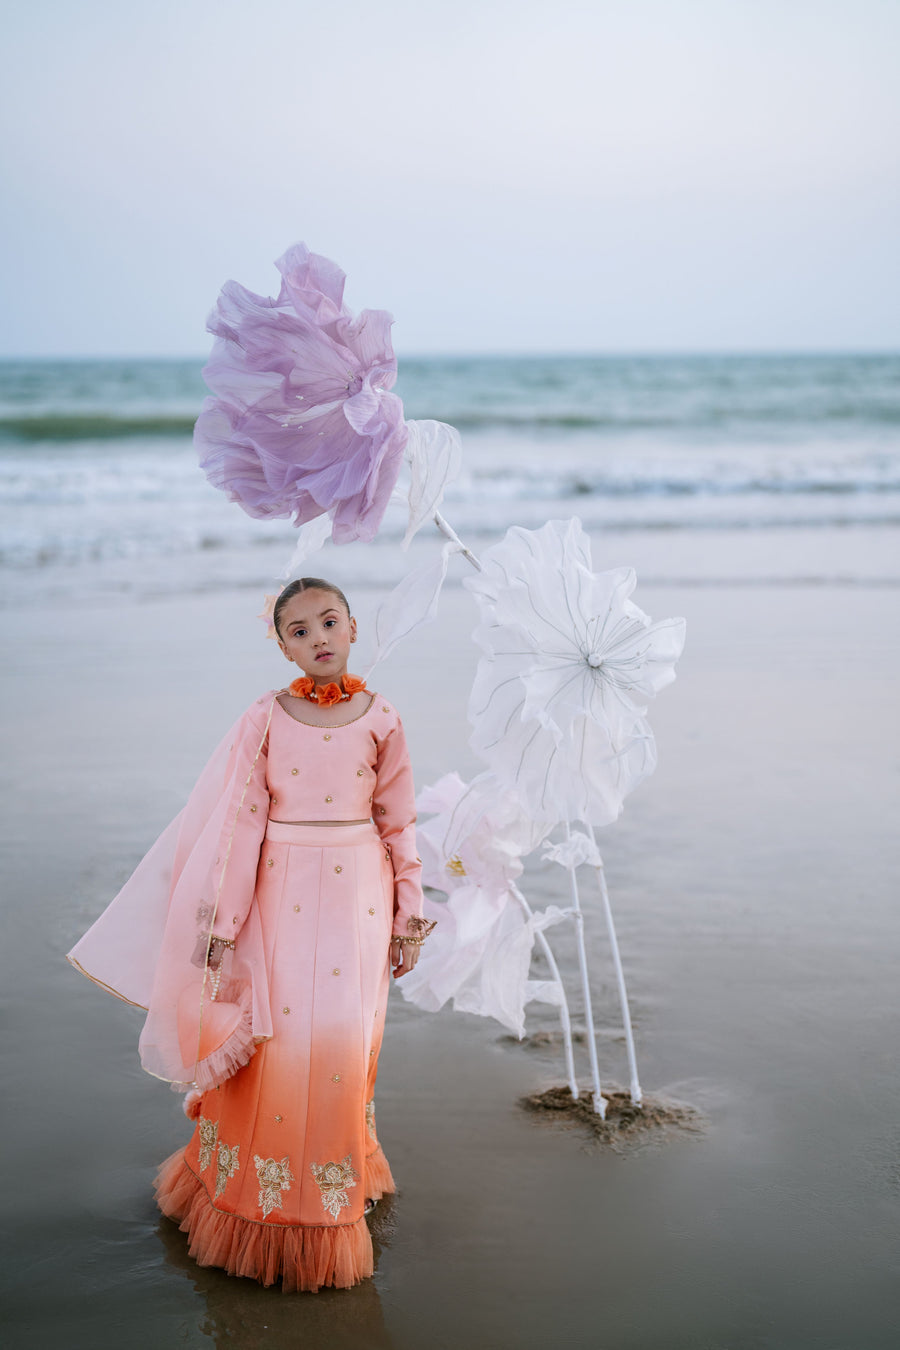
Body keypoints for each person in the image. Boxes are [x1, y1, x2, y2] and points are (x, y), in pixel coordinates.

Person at [67, 577, 433, 1292]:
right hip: (282, 895)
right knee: (281, 1042)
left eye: (329, 621)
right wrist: (222, 928)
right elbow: (239, 828)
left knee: (343, 1042)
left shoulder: (383, 716)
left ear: (354, 627)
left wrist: (408, 917)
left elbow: (400, 823)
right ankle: (260, 1202)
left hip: (360, 894)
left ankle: (334, 1177)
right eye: (299, 630)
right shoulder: (265, 718)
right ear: (281, 644)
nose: (318, 638)